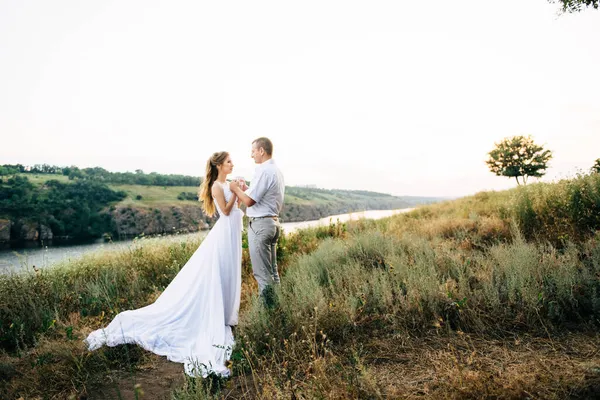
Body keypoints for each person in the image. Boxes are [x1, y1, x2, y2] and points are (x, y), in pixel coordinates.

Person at [84, 151, 243, 377]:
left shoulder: (228, 183)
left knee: (229, 272)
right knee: (220, 272)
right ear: (219, 165)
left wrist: (239, 189)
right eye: (229, 161)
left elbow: (237, 205)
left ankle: (226, 313)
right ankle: (214, 314)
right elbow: (225, 212)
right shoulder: (217, 186)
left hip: (232, 234)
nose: (232, 164)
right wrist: (236, 192)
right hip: (224, 232)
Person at [230, 137, 285, 297]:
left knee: (262, 275)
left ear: (261, 151)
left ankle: (268, 317)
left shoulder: (264, 171)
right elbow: (262, 195)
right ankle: (278, 309)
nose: (251, 155)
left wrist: (235, 188)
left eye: (253, 151)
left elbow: (248, 201)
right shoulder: (276, 171)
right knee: (273, 273)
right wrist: (246, 188)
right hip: (272, 224)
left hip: (260, 226)